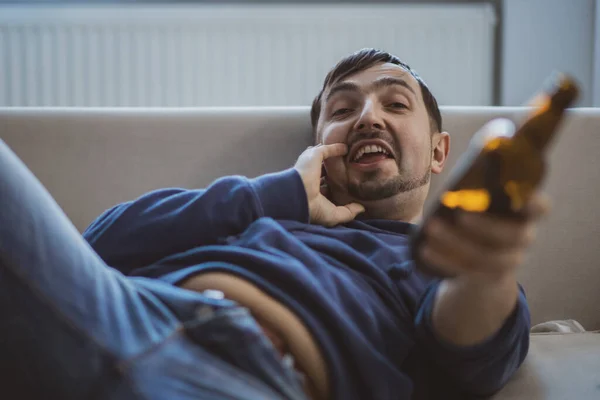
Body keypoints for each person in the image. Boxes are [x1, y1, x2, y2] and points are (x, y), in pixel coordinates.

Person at [0, 48, 547, 400]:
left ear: (437, 151)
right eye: (342, 108)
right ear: (319, 145)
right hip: (121, 310)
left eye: (395, 104)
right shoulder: (263, 208)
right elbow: (95, 246)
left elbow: (472, 360)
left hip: (250, 378)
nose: (367, 117)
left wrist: (482, 262)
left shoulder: (441, 262)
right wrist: (274, 195)